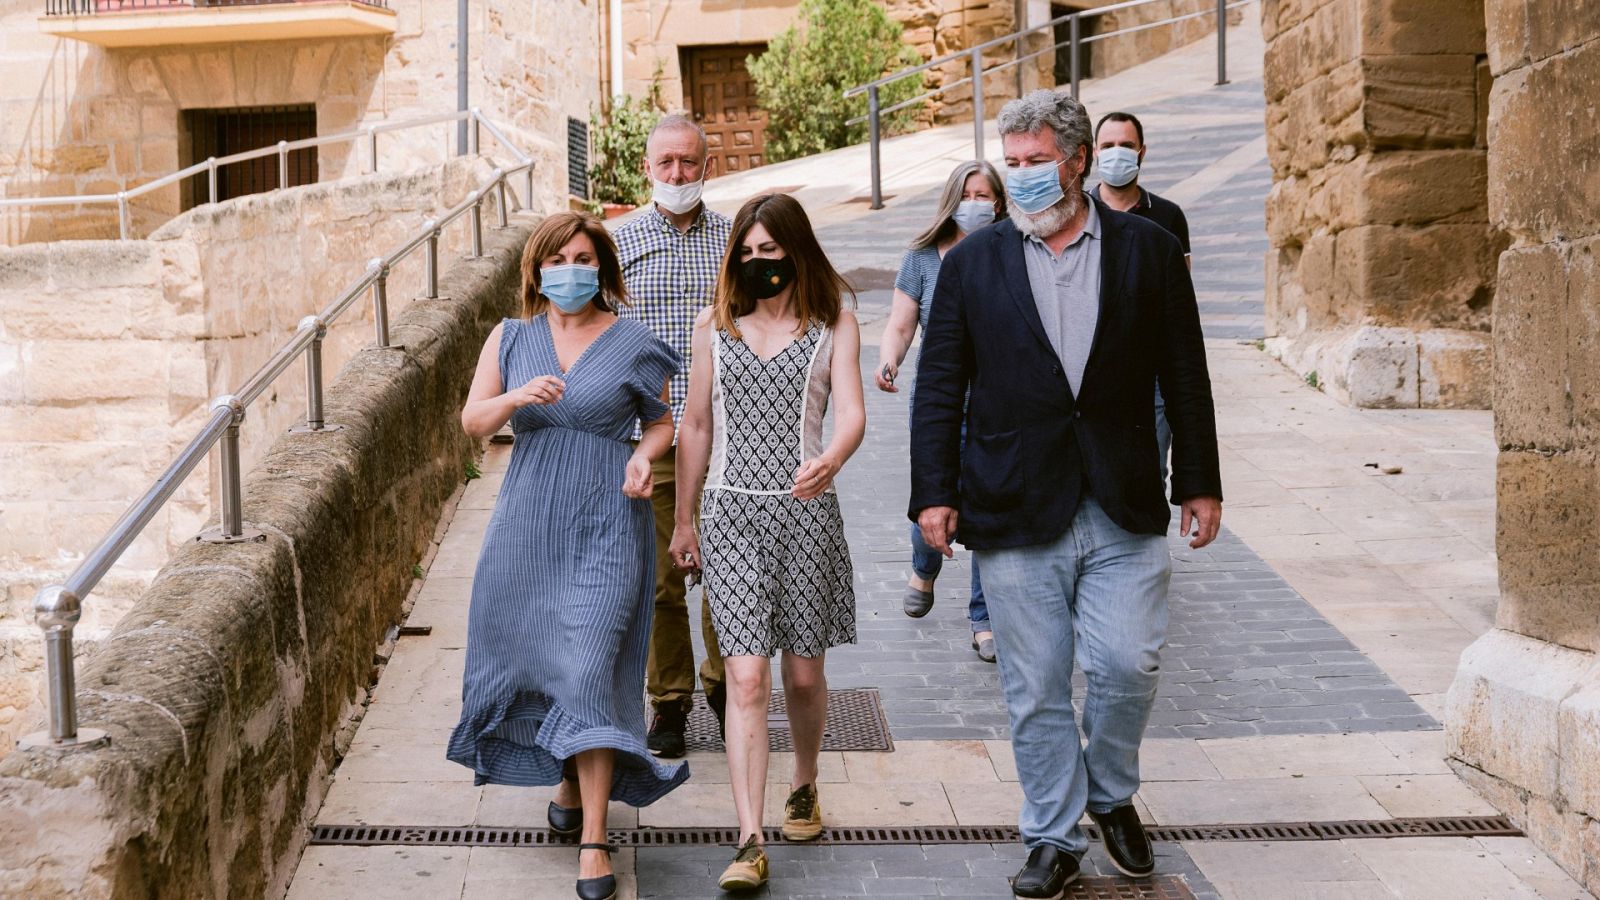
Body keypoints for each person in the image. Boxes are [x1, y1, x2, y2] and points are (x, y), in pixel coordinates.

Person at [910, 91, 1222, 897]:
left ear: (1077, 161)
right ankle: (1053, 833)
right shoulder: (972, 264)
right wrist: (932, 496)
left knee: (1128, 665)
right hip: (1014, 505)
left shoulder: (1148, 250)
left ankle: (1110, 791)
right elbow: (940, 387)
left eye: (1036, 163)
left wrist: (1199, 482)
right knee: (1036, 684)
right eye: (1011, 165)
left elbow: (1185, 372)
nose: (1021, 179)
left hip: (1121, 497)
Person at [448, 212, 688, 900]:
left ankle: (594, 841)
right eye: (559, 258)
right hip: (527, 524)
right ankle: (566, 775)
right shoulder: (511, 336)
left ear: (603, 268)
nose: (571, 269)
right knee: (541, 661)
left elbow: (662, 422)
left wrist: (644, 458)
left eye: (584, 257)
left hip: (609, 519)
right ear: (537, 268)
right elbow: (472, 421)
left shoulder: (635, 341)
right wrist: (518, 395)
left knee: (589, 665)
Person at [670, 193, 866, 892]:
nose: (759, 263)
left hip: (806, 513)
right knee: (745, 677)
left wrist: (832, 458)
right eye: (747, 253)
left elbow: (852, 413)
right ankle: (750, 838)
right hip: (731, 516)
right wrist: (684, 519)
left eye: (771, 251)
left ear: (796, 250)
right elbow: (695, 425)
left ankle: (805, 782)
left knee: (803, 676)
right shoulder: (711, 327)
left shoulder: (833, 324)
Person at [614, 113, 732, 759]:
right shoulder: (618, 241)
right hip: (651, 436)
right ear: (648, 168)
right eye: (667, 164)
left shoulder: (740, 239)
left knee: (727, 577)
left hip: (727, 437)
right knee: (659, 583)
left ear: (707, 166)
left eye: (689, 162)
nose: (678, 174)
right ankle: (669, 705)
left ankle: (724, 689)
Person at [875, 160, 1007, 663]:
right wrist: (889, 360)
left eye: (986, 195)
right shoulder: (922, 257)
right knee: (935, 495)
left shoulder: (1008, 250)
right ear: (953, 199)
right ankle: (924, 564)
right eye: (969, 194)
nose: (978, 203)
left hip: (998, 402)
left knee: (987, 507)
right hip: (939, 402)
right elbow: (902, 324)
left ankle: (983, 616)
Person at [1091, 110, 1193, 483]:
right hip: (1090, 364)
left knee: (1149, 469)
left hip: (1148, 368)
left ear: (1142, 152)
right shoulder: (1078, 213)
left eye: (1126, 145)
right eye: (1109, 145)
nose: (1117, 153)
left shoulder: (1167, 216)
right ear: (1093, 153)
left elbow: (1179, 299)